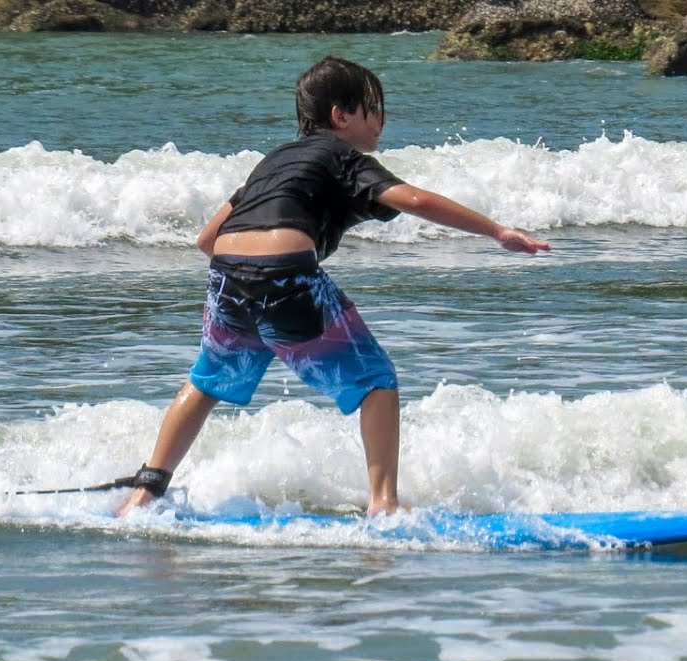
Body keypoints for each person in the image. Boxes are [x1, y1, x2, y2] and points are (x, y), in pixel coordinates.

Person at [115, 56, 550, 518]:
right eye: (372, 109)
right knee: (376, 380)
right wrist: (497, 231)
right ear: (341, 116)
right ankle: (384, 504)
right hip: (286, 273)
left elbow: (207, 239)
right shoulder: (343, 157)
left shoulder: (274, 161)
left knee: (207, 382)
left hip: (227, 272)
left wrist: (253, 289)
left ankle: (143, 494)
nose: (382, 120)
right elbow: (417, 200)